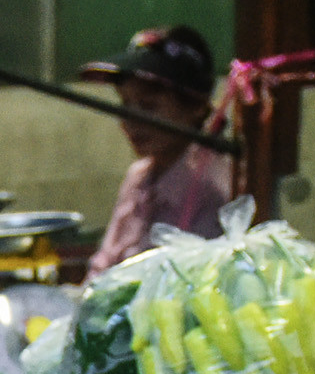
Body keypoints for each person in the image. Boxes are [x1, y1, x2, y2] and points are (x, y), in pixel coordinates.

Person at [76, 24, 233, 274]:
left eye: (149, 107)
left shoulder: (214, 189)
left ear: (196, 107)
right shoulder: (137, 178)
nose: (130, 122)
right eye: (126, 105)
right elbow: (102, 269)